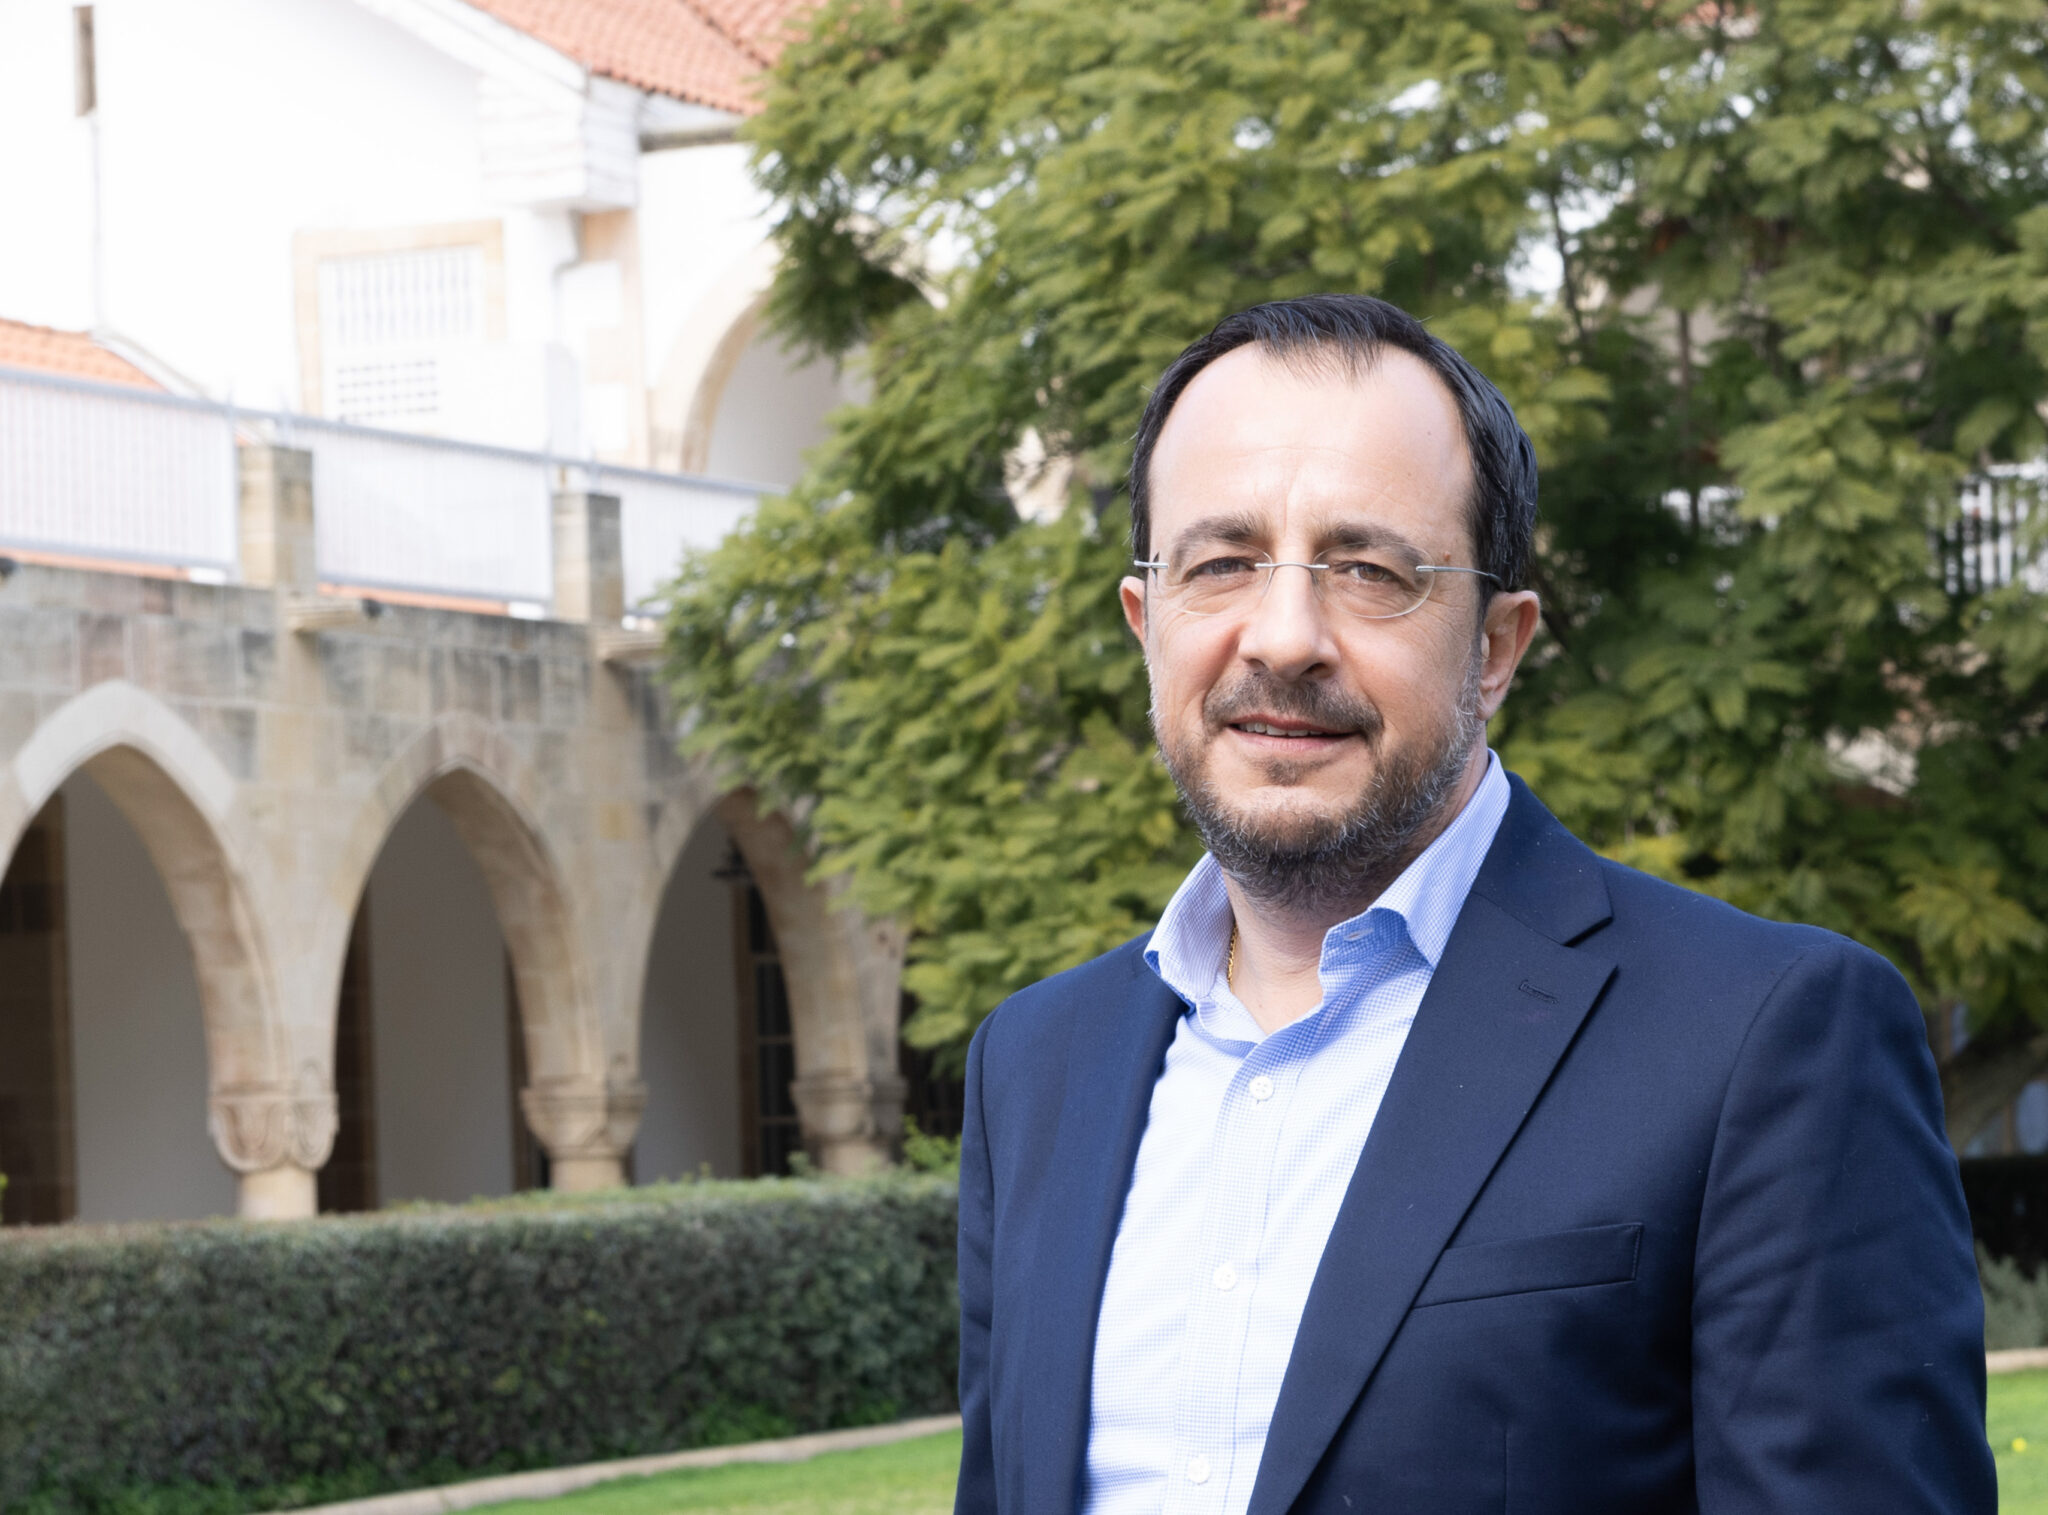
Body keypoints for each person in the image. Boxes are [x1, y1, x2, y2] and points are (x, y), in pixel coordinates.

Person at [951, 294, 1994, 1514]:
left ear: (1495, 647)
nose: (1281, 638)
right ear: (1146, 622)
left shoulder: (1765, 1039)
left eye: (1367, 570)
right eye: (1220, 564)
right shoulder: (1032, 1065)